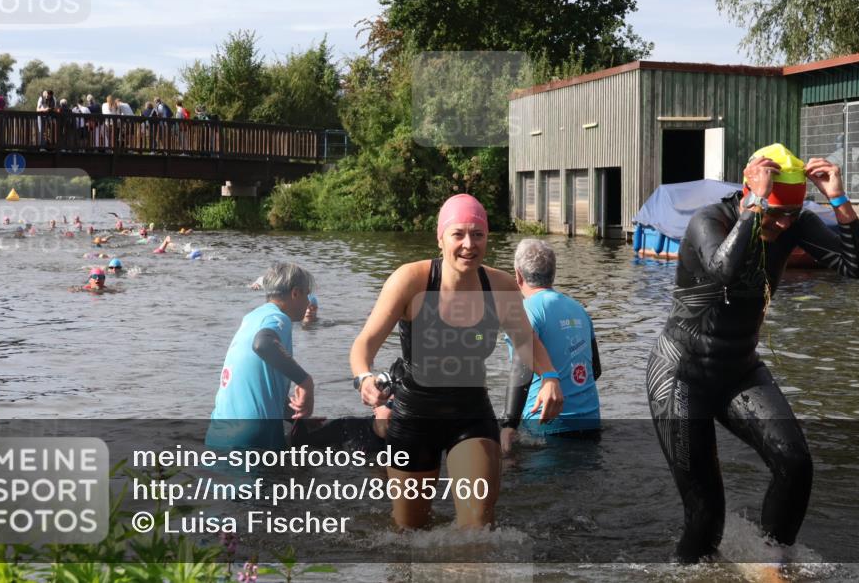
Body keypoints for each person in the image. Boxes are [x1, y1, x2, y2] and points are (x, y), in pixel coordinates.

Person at [646, 143, 859, 565]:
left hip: (739, 369)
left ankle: (772, 561)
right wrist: (755, 207)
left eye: (792, 214)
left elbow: (858, 268)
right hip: (682, 374)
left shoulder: (793, 223)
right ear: (752, 194)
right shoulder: (709, 221)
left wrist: (838, 199)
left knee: (795, 463)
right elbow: (724, 271)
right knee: (706, 515)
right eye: (777, 213)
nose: (784, 223)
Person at [350, 193, 563, 529]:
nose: (469, 244)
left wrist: (550, 376)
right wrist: (363, 378)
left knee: (478, 525)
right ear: (440, 238)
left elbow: (525, 340)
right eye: (458, 234)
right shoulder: (410, 280)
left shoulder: (500, 286)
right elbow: (364, 344)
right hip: (414, 415)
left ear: (487, 238)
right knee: (410, 530)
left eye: (478, 234)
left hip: (470, 413)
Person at [500, 239, 602, 453]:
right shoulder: (579, 309)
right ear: (553, 273)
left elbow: (521, 367)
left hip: (546, 425)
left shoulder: (524, 310)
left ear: (518, 275)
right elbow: (595, 370)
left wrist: (509, 424)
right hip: (590, 421)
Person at [206, 262, 316, 450]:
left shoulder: (251, 318)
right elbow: (263, 344)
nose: (308, 303)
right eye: (307, 294)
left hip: (218, 434)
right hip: (254, 436)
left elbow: (257, 385)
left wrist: (296, 415)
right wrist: (306, 382)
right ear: (295, 293)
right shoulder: (278, 318)